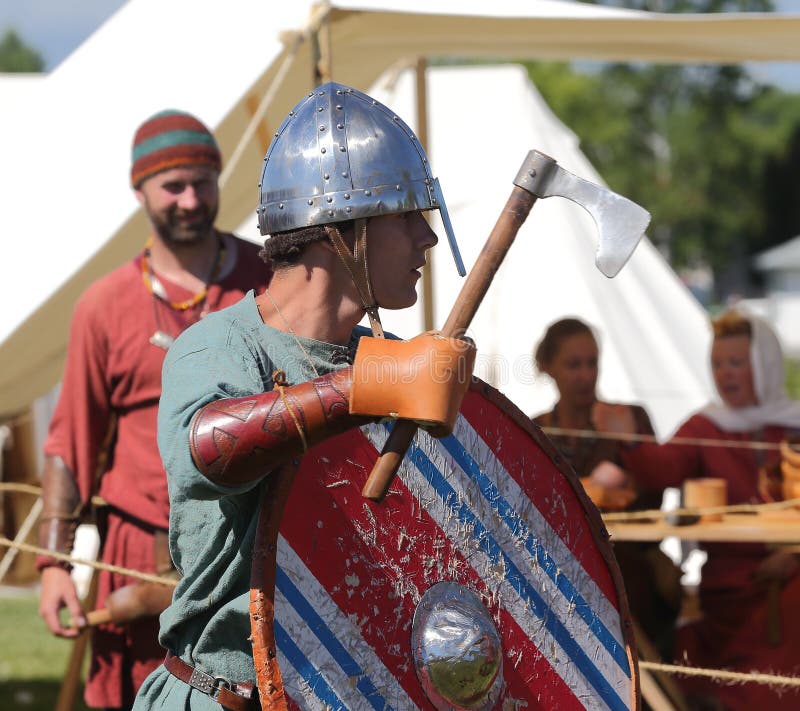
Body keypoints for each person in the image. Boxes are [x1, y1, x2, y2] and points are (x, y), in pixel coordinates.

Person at [132, 82, 475, 710]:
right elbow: (208, 451)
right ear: (338, 229)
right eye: (405, 216)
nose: (426, 239)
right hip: (226, 696)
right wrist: (368, 386)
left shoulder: (386, 358)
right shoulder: (221, 348)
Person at [36, 109, 270, 710]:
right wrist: (54, 563)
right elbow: (71, 441)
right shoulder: (103, 305)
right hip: (138, 555)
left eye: (204, 182)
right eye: (173, 186)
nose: (191, 199)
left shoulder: (266, 281)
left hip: (246, 545)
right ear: (139, 190)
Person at [596, 309, 800, 709]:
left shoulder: (793, 423)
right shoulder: (705, 426)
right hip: (730, 579)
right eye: (718, 363)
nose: (725, 373)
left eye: (736, 363)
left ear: (765, 365)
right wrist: (630, 441)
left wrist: (793, 554)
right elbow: (663, 467)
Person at [532, 317, 682, 663]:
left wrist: (626, 442)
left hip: (627, 567)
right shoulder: (536, 431)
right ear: (548, 367)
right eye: (573, 365)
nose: (586, 375)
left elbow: (652, 494)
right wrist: (596, 494)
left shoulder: (628, 417)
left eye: (592, 363)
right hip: (561, 569)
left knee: (630, 589)